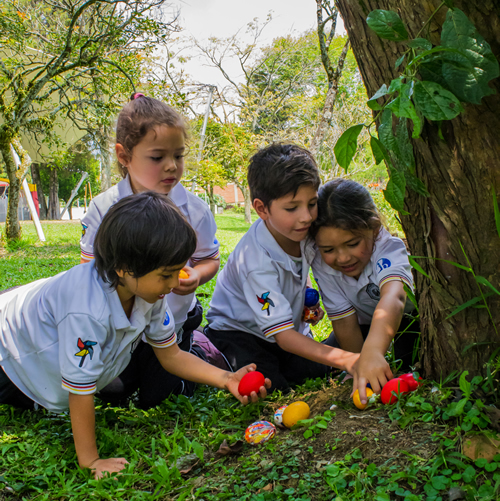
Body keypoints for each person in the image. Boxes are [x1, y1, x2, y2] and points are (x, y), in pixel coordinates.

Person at [0, 193, 270, 479]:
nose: (177, 282)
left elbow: (171, 354)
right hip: (8, 353)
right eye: (166, 274)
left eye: (178, 270)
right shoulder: (86, 310)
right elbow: (80, 391)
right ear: (124, 269)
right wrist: (91, 460)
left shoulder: (148, 290)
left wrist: (226, 378)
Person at [80, 93, 226, 406]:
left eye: (179, 155)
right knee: (112, 394)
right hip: (122, 328)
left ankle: (197, 347)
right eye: (157, 157)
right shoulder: (104, 208)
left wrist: (196, 276)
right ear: (124, 155)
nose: (172, 166)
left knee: (161, 398)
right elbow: (88, 271)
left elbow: (210, 259)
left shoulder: (195, 210)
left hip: (172, 322)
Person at [205, 144, 360, 392]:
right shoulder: (255, 261)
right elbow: (285, 337)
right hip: (237, 333)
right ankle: (210, 353)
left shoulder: (302, 233)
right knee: (270, 386)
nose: (307, 217)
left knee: (315, 370)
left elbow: (299, 269)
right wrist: (352, 360)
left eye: (311, 203)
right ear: (261, 209)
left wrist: (307, 301)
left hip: (280, 333)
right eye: (292, 208)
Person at [310, 179, 419, 406]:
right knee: (325, 365)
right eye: (329, 249)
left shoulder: (388, 248)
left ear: (374, 227)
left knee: (407, 365)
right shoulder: (322, 264)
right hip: (364, 323)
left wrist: (373, 352)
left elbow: (394, 298)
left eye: (352, 243)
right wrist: (358, 364)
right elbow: (343, 320)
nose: (342, 258)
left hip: (408, 322)